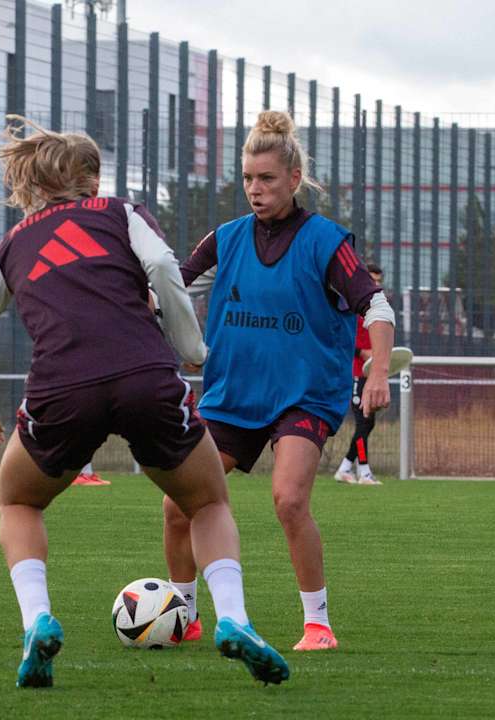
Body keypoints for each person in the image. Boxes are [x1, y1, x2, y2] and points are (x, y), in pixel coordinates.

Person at [0, 117, 289, 688]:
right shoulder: (118, 213)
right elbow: (160, 268)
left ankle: (37, 621)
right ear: (87, 179)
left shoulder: (15, 243)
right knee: (207, 503)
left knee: (18, 502)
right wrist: (190, 346)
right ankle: (234, 619)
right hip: (143, 378)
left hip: (61, 388)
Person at [162, 110, 396, 652]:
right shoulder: (225, 238)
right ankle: (182, 615)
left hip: (304, 395)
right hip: (232, 394)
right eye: (247, 178)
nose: (255, 189)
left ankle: (318, 624)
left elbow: (376, 304)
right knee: (177, 504)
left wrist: (378, 369)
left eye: (266, 179)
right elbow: (169, 288)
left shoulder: (325, 242)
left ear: (294, 179)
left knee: (288, 500)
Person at [335, 263, 387, 486]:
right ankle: (363, 471)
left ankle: (346, 467)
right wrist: (361, 352)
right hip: (355, 374)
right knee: (363, 423)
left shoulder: (378, 309)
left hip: (371, 375)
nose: (375, 284)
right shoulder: (352, 308)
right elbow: (342, 340)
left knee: (368, 423)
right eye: (372, 280)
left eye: (378, 281)